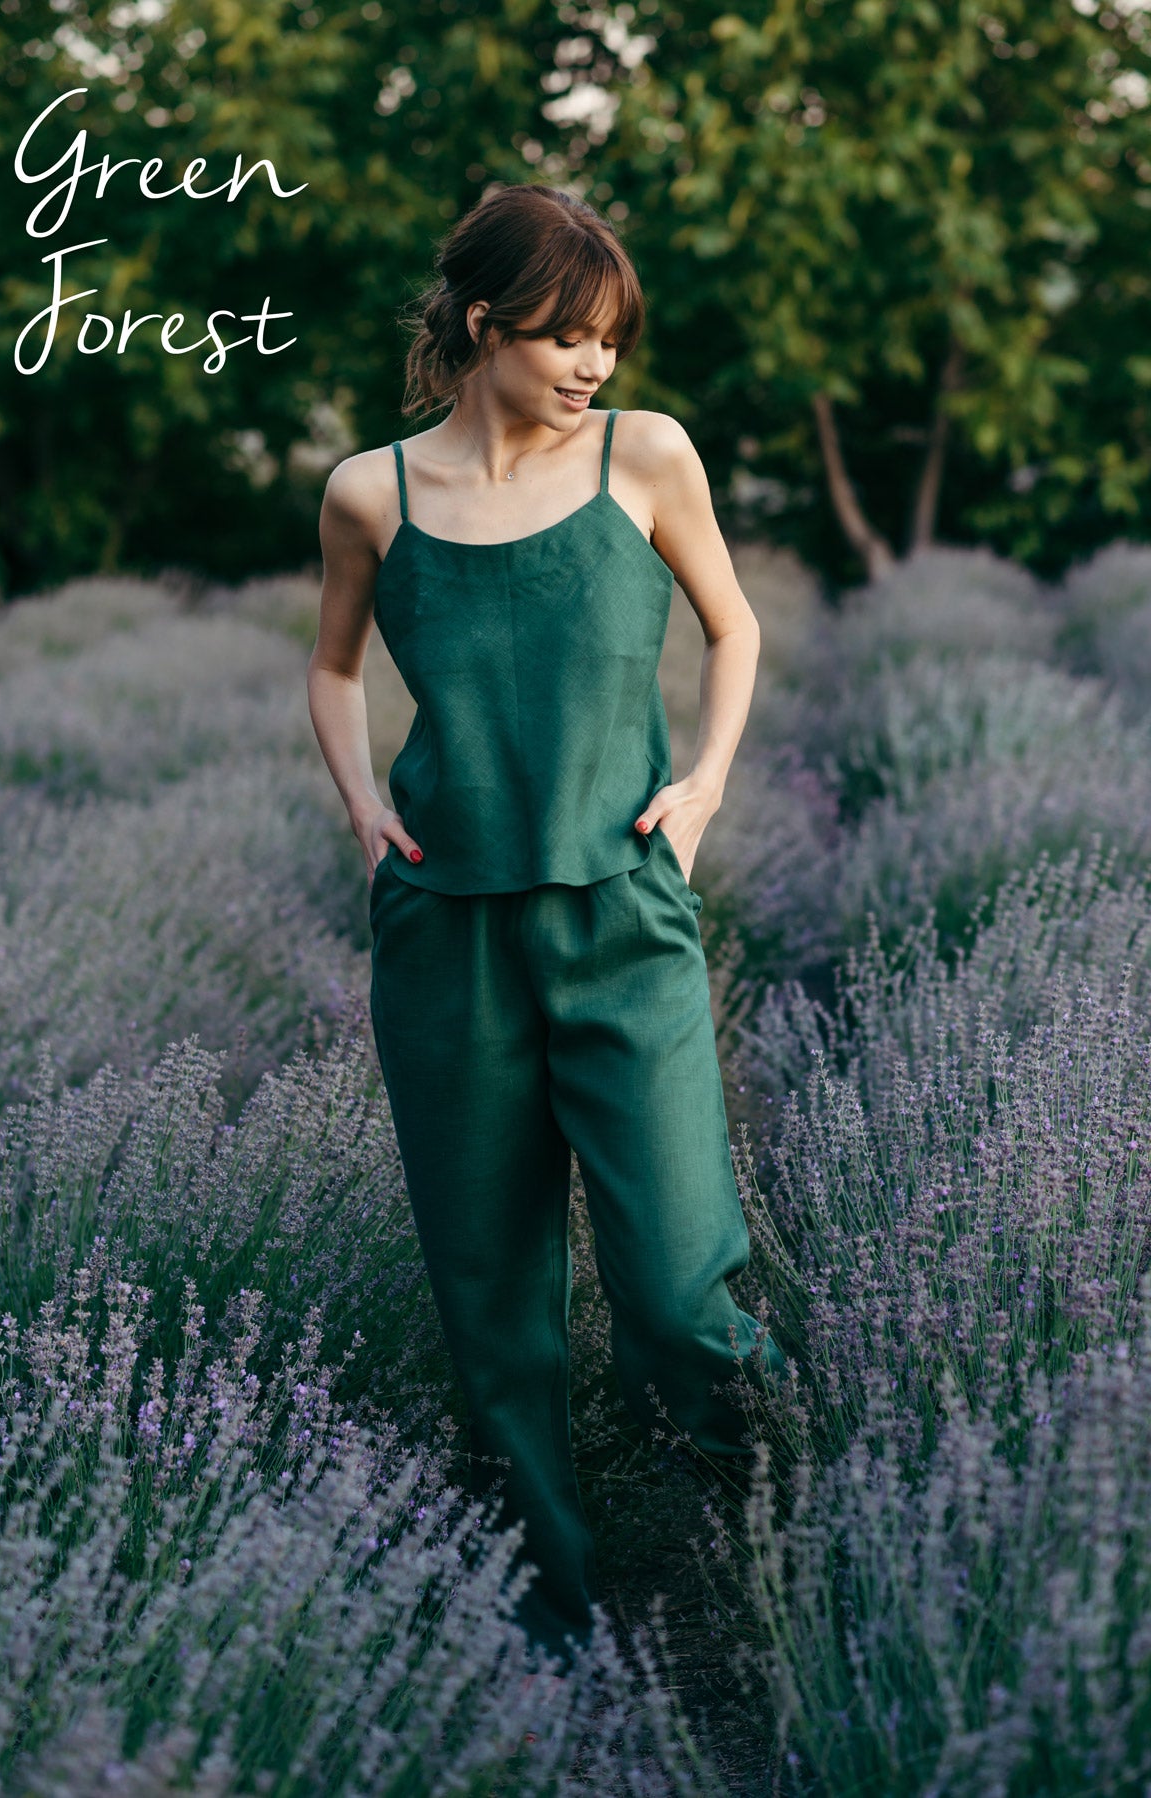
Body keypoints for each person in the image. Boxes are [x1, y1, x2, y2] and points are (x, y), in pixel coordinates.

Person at [307, 181, 784, 1676]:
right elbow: (330, 669)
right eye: (570, 335)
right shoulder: (368, 493)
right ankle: (553, 1623)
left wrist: (701, 788)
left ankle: (792, 1517)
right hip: (448, 934)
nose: (594, 365)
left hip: (621, 919)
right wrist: (361, 812)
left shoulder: (645, 458)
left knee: (677, 1284)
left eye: (609, 341)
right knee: (495, 1302)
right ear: (484, 321)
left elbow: (736, 623)